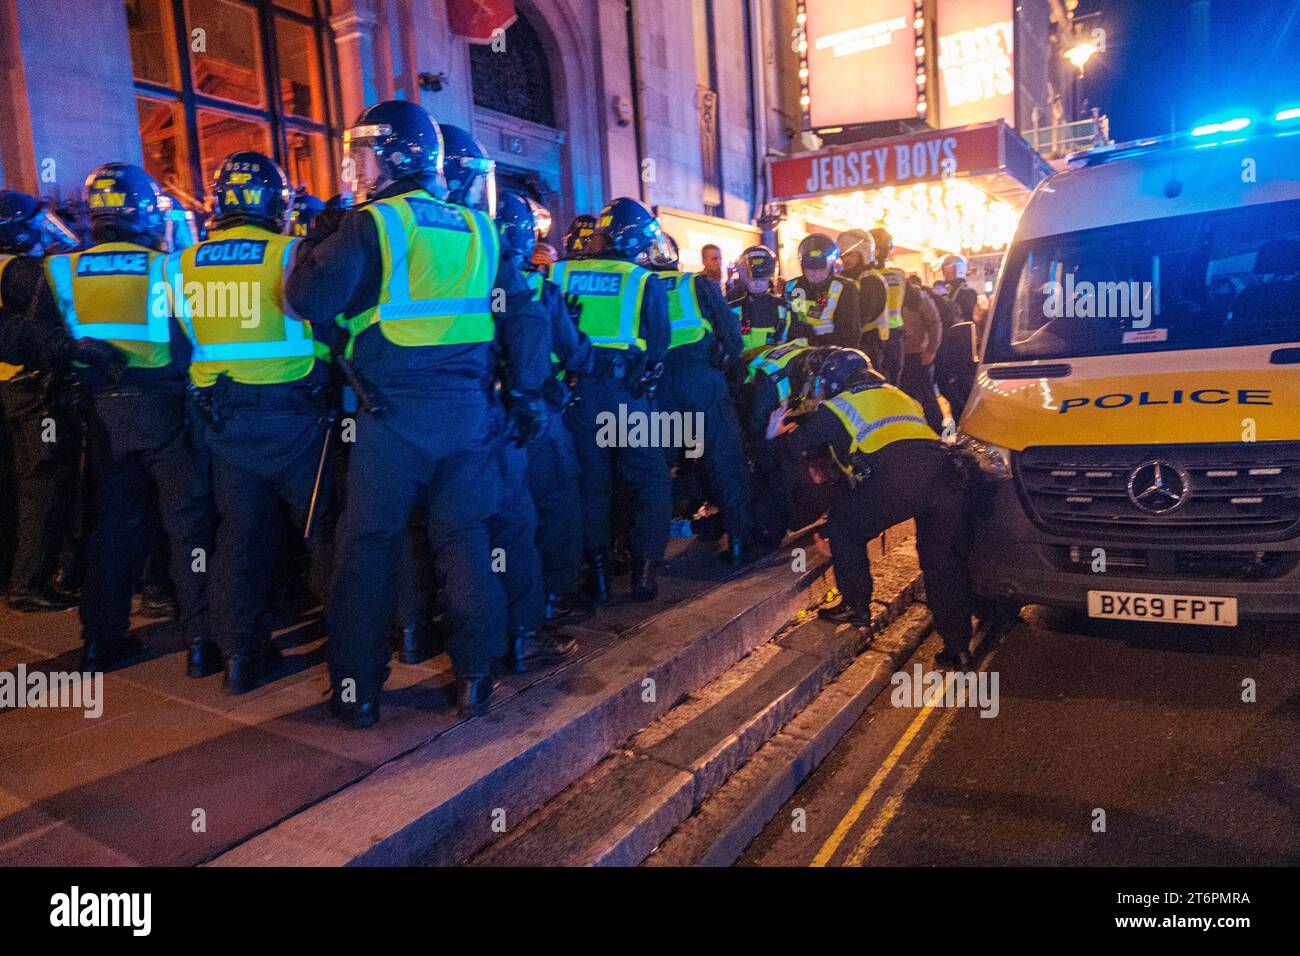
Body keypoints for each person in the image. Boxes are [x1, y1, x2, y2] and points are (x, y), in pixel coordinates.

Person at [286, 100, 551, 727]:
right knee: (466, 543)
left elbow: (305, 301)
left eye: (363, 155)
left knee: (367, 549)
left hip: (393, 419)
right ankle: (477, 677)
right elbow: (524, 319)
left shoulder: (372, 225)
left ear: (395, 156)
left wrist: (319, 239)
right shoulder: (481, 231)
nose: (357, 168)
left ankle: (360, 693)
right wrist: (524, 396)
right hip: (469, 417)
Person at [31, 163, 214, 673]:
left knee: (113, 529)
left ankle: (101, 639)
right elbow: (193, 343)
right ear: (144, 212)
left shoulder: (61, 269)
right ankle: (202, 639)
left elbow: (46, 341)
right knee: (187, 526)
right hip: (166, 412)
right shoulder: (167, 268)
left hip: (103, 416)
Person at [166, 150, 333, 693]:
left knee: (239, 537)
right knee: (321, 531)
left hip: (225, 423)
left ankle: (239, 657)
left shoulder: (183, 261)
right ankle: (348, 638)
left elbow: (177, 343)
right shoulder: (292, 253)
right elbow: (327, 330)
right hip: (295, 419)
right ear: (276, 203)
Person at [440, 128, 577, 675]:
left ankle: (420, 639)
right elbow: (523, 334)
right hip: (489, 416)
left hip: (411, 420)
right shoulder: (486, 248)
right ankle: (520, 636)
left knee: (439, 536)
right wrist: (528, 399)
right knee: (510, 524)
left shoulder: (404, 240)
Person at [772, 348, 973, 669]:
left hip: (897, 479)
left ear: (834, 380)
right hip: (945, 475)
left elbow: (797, 446)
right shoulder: (901, 395)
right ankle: (959, 648)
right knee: (941, 563)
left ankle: (856, 607)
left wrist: (774, 433)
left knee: (843, 527)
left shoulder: (838, 407)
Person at [549, 197, 671, 602]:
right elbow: (659, 343)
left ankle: (598, 577)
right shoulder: (641, 280)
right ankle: (644, 573)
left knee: (592, 486)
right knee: (649, 481)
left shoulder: (562, 272)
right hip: (627, 395)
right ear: (636, 239)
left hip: (579, 394)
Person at [646, 233, 751, 563]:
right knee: (725, 460)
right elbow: (733, 338)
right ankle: (738, 542)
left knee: (658, 470)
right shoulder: (696, 285)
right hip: (702, 381)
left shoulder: (638, 285)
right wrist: (723, 361)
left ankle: (648, 556)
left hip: (661, 386)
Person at [0, 190, 82, 611]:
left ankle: (15, 575)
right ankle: (30, 583)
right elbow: (62, 321)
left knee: (16, 485)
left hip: (8, 391)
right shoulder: (26, 271)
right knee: (44, 484)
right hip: (35, 395)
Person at [784, 234, 860, 347]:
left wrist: (814, 340)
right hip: (796, 352)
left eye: (821, 269)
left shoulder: (843, 287)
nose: (816, 274)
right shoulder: (792, 286)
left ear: (831, 266)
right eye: (810, 269)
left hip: (830, 352)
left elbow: (849, 333)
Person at [932, 253, 979, 421]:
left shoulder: (966, 292)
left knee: (960, 391)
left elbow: (963, 320)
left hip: (961, 350)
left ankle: (964, 423)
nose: (945, 273)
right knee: (947, 388)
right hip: (947, 347)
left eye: (949, 269)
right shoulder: (947, 291)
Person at [857, 227, 906, 385]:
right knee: (895, 385)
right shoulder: (898, 275)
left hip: (871, 338)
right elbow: (915, 302)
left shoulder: (860, 277)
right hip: (895, 339)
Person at [898, 275, 944, 432]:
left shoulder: (919, 297)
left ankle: (944, 436)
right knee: (906, 398)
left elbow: (935, 323)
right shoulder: (891, 297)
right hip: (898, 355)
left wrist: (931, 350)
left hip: (918, 354)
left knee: (927, 398)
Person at [727, 245, 790, 352]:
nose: (758, 284)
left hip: (771, 365)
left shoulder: (782, 308)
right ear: (745, 279)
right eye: (753, 280)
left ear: (770, 279)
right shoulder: (734, 309)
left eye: (763, 280)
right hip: (742, 365)